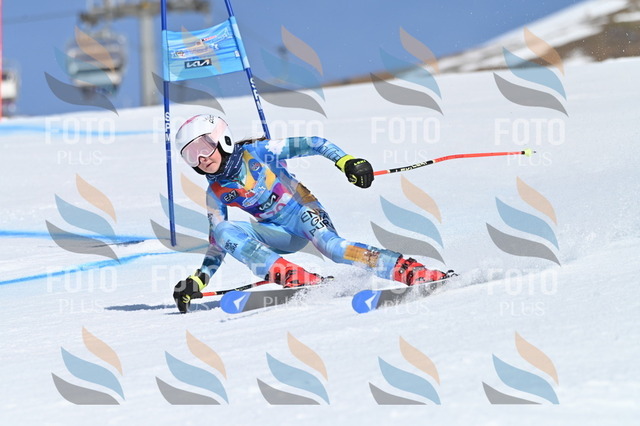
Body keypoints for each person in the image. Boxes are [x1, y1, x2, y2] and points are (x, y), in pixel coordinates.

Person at [172, 114, 453, 313]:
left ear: (222, 139)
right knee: (222, 231)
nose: (201, 159)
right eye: (191, 155)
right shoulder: (215, 192)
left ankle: (411, 271)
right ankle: (295, 277)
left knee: (334, 248)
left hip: (303, 211)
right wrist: (198, 279)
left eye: (203, 147)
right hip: (277, 233)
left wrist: (346, 162)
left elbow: (315, 142)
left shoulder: (258, 151)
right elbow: (217, 243)